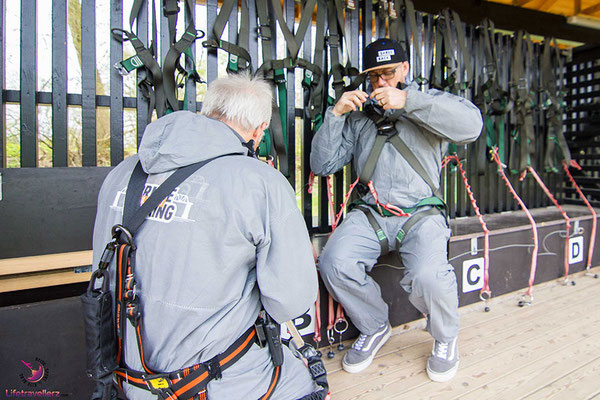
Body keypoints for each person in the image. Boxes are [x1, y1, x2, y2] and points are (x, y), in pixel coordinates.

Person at [92, 72, 322, 399]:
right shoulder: (260, 182)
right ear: (259, 131)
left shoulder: (121, 174)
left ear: (209, 111)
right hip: (216, 383)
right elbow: (290, 301)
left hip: (129, 379)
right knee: (308, 383)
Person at [310, 38, 483, 382]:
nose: (382, 83)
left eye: (389, 73)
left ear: (404, 69)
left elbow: (472, 127)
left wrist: (410, 101)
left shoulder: (427, 104)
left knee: (429, 277)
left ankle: (446, 337)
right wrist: (335, 115)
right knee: (334, 263)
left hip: (421, 215)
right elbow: (322, 163)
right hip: (371, 214)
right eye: (375, 77)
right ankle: (374, 326)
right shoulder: (360, 119)